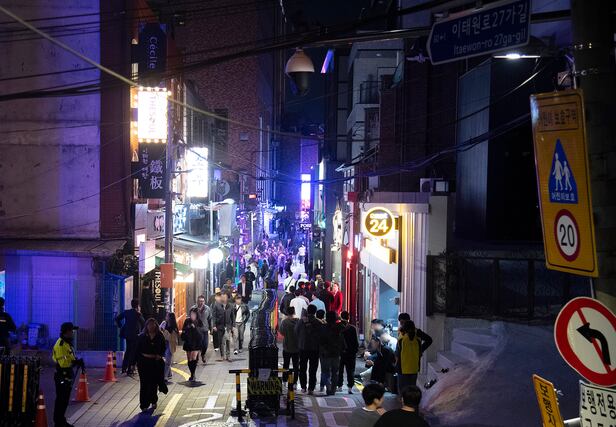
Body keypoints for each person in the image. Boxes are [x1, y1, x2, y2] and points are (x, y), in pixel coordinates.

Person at [52, 322, 83, 427]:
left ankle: (61, 421)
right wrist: (75, 362)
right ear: (67, 332)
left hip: (66, 375)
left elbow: (69, 357)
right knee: (61, 400)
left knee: (64, 400)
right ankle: (59, 423)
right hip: (62, 375)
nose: (73, 333)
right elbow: (63, 363)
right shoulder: (61, 344)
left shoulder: (66, 343)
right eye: (72, 331)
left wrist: (76, 361)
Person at [136, 318, 167, 411]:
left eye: (153, 325)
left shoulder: (160, 336)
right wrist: (134, 363)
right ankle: (144, 404)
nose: (151, 327)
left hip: (156, 362)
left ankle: (153, 401)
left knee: (154, 383)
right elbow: (137, 350)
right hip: (144, 363)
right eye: (149, 325)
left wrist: (160, 355)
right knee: (144, 384)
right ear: (146, 326)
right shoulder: (141, 337)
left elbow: (163, 348)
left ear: (156, 326)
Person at [396, 320, 433, 391]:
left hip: (402, 368)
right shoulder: (418, 334)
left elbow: (398, 353)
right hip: (414, 367)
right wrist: (420, 350)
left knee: (403, 390)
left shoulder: (401, 336)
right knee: (412, 388)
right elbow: (429, 340)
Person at [295, 304, 322, 394]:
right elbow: (320, 335)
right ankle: (311, 388)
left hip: (303, 347)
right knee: (313, 369)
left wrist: (300, 339)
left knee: (302, 368)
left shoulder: (301, 321)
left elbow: (296, 331)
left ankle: (303, 387)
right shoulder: (318, 322)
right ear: (315, 312)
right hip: (314, 349)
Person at [115, 299, 145, 375]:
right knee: (133, 352)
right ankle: (130, 369)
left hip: (127, 334)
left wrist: (120, 326)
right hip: (135, 335)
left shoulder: (126, 312)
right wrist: (141, 332)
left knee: (128, 350)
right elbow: (144, 323)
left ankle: (124, 368)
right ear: (137, 305)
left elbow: (117, 318)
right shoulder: (138, 314)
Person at [319, 311, 346, 395]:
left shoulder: (322, 328)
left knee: (325, 371)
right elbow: (342, 340)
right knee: (335, 372)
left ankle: (328, 386)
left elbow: (319, 340)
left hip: (325, 353)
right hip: (336, 353)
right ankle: (333, 389)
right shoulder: (340, 327)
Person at [338, 311, 359, 394]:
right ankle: (350, 387)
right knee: (350, 370)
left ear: (341, 317)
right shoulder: (352, 328)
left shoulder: (338, 326)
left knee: (339, 370)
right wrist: (355, 351)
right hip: (350, 353)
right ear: (348, 317)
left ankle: (339, 386)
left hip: (340, 352)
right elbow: (355, 342)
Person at [279, 306, 300, 386]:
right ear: (294, 312)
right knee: (296, 365)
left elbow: (281, 332)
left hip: (287, 346)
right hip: (296, 347)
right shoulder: (298, 321)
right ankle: (295, 382)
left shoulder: (284, 322)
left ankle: (284, 380)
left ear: (287, 313)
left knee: (286, 364)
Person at [182, 309, 203, 382]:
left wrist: (195, 328)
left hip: (196, 342)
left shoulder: (199, 322)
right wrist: (187, 328)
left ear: (196, 315)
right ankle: (192, 373)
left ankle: (193, 375)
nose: (192, 316)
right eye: (191, 314)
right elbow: (183, 330)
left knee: (193, 357)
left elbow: (200, 334)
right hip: (188, 342)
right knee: (189, 359)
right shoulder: (187, 321)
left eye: (194, 314)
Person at [212, 292, 235, 361]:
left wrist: (233, 326)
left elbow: (232, 316)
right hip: (220, 326)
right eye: (222, 297)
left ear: (227, 298)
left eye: (225, 297)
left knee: (228, 341)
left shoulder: (230, 306)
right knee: (221, 342)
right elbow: (214, 316)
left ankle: (228, 356)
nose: (223, 298)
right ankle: (222, 356)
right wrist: (214, 325)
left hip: (228, 326)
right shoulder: (217, 305)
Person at [191, 295, 212, 364]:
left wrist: (211, 328)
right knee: (197, 344)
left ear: (204, 301)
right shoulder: (193, 308)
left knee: (205, 344)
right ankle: (196, 357)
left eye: (202, 301)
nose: (201, 302)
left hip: (205, 330)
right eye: (200, 301)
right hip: (196, 330)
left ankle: (203, 354)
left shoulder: (207, 309)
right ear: (197, 301)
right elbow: (190, 319)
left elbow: (210, 318)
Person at [160, 312, 179, 382]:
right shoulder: (164, 323)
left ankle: (165, 376)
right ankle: (169, 374)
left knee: (167, 361)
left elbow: (171, 338)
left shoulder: (174, 328)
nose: (166, 317)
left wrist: (164, 331)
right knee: (164, 360)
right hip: (163, 344)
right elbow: (159, 331)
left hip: (170, 345)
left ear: (170, 318)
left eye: (167, 316)